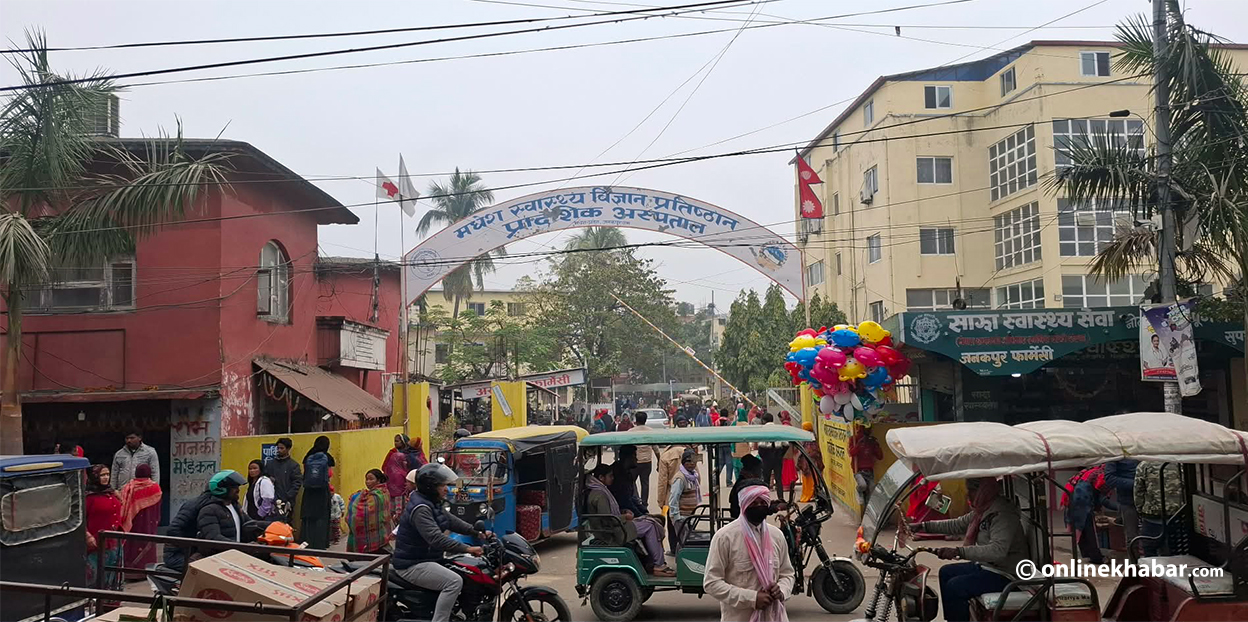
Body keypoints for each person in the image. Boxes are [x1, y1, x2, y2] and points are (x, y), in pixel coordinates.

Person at [911, 477, 1028, 622]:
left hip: (1006, 574)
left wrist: (959, 552)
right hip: (989, 567)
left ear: (984, 491)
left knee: (956, 586)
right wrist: (923, 526)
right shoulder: (983, 510)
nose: (968, 495)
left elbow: (997, 551)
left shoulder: (1002, 514)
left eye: (972, 490)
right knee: (946, 572)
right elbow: (957, 524)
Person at [393, 464, 487, 622]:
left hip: (427, 558)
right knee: (454, 582)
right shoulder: (421, 508)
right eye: (442, 485)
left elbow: (450, 521)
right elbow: (436, 538)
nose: (446, 489)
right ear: (430, 487)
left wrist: (476, 532)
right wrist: (468, 548)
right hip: (412, 564)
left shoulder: (431, 502)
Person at [704, 485, 795, 622]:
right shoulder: (725, 537)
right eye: (754, 503)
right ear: (744, 504)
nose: (759, 506)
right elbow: (712, 583)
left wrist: (781, 590)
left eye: (763, 502)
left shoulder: (776, 536)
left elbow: (787, 574)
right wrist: (752, 598)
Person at [583, 462, 674, 576]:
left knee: (651, 521)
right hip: (613, 532)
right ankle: (659, 565)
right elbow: (608, 519)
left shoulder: (601, 490)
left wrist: (623, 511)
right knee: (650, 526)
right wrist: (625, 517)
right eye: (610, 476)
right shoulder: (600, 495)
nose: (613, 478)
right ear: (601, 478)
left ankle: (651, 561)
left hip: (615, 526)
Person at [164, 470, 249, 572]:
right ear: (221, 488)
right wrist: (194, 548)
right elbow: (174, 530)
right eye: (234, 487)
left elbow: (249, 523)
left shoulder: (232, 505)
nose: (238, 490)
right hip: (179, 555)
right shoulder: (200, 506)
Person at [1063, 465, 1115, 564]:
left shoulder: (1091, 471)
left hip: (1072, 498)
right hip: (1083, 501)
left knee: (1082, 529)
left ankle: (1087, 553)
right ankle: (1096, 557)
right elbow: (1103, 500)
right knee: (1089, 530)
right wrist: (1119, 508)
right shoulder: (1104, 476)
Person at [118, 463, 162, 579]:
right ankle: (147, 571)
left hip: (133, 523)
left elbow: (124, 506)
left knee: (132, 545)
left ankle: (130, 572)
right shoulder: (155, 487)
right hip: (149, 523)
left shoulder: (129, 487)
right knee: (147, 544)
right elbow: (158, 507)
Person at [85, 465, 123, 590]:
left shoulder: (111, 493)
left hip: (114, 542)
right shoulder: (88, 497)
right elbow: (80, 519)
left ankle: (112, 598)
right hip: (96, 543)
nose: (106, 477)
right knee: (97, 575)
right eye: (102, 475)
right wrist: (87, 536)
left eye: (107, 474)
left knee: (114, 573)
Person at [1135, 461, 1185, 556]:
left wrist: (1140, 510)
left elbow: (1138, 491)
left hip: (1152, 516)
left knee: (1150, 551)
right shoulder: (1179, 463)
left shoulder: (1144, 465)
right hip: (1176, 515)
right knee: (1175, 553)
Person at [301, 435, 337, 549]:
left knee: (308, 517)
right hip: (322, 491)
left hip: (309, 491)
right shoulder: (328, 457)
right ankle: (320, 543)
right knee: (322, 516)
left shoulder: (308, 456)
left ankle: (307, 542)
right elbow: (329, 473)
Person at [347, 469, 393, 554]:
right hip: (381, 533)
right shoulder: (383, 491)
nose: (367, 482)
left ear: (378, 480)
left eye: (371, 479)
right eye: (366, 479)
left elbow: (365, 510)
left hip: (374, 535)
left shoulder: (377, 495)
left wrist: (356, 498)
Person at [666, 448, 702, 555]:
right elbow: (674, 498)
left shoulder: (693, 476)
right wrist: (676, 517)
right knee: (683, 541)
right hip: (681, 517)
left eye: (693, 461)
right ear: (683, 462)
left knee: (685, 540)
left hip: (689, 516)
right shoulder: (680, 478)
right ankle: (680, 560)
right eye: (688, 461)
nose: (692, 464)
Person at [1103, 459, 1139, 554]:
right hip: (1129, 501)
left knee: (1155, 535)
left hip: (1152, 500)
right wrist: (1136, 484)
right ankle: (1134, 562)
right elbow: (1109, 479)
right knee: (1132, 537)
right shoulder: (1116, 455)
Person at [264, 437, 302, 523]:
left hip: (286, 501)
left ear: (288, 449)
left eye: (282, 448)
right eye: (278, 448)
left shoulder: (293, 465)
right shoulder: (270, 464)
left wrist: (288, 496)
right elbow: (264, 478)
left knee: (285, 523)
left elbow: (297, 482)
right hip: (271, 500)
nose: (279, 450)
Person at [848, 425, 883, 507]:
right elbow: (851, 453)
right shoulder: (854, 439)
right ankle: (858, 491)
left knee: (871, 490)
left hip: (869, 470)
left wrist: (876, 445)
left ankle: (867, 509)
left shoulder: (871, 441)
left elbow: (880, 456)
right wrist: (859, 444)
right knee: (862, 485)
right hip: (858, 470)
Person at [384, 434, 416, 519]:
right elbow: (385, 466)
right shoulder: (392, 452)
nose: (395, 443)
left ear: (403, 441)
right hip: (394, 482)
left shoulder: (409, 453)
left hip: (406, 482)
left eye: (397, 441)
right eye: (395, 441)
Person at [755, 414, 786, 498]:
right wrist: (781, 454)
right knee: (778, 479)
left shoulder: (762, 430)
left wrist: (763, 456)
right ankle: (781, 498)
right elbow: (786, 444)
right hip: (778, 455)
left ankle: (766, 498)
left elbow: (760, 445)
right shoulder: (779, 429)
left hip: (766, 455)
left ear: (764, 421)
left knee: (766, 479)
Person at [630, 411, 656, 504]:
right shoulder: (650, 431)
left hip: (634, 462)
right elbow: (655, 448)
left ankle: (636, 500)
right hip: (647, 462)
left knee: (631, 482)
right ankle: (644, 503)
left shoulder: (631, 432)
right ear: (645, 420)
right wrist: (659, 460)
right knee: (645, 483)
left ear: (636, 420)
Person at [728, 455, 765, 519]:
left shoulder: (743, 480)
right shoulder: (746, 484)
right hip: (742, 517)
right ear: (753, 470)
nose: (761, 471)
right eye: (759, 469)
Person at [796, 422, 823, 503]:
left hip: (811, 462)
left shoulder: (811, 438)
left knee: (812, 480)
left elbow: (812, 451)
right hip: (807, 462)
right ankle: (806, 495)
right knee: (806, 480)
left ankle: (811, 496)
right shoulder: (807, 437)